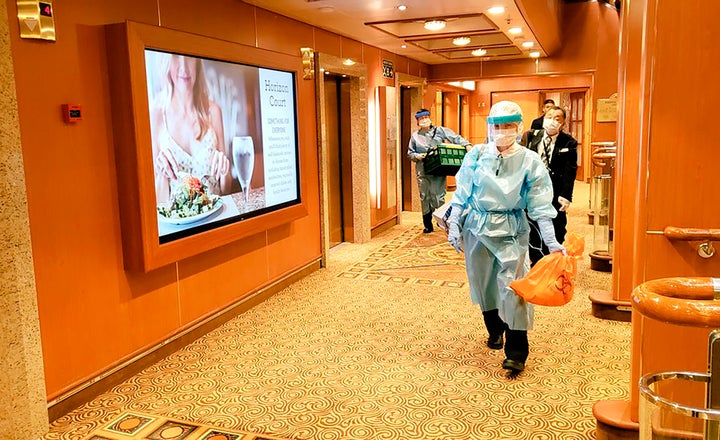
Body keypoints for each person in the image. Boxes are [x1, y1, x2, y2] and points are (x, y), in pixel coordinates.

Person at [446, 101, 564, 375]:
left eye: (508, 126)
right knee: (484, 284)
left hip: (511, 228)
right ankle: (495, 329)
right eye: (497, 126)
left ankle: (517, 351)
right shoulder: (476, 155)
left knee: (514, 287)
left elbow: (540, 205)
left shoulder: (529, 161)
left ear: (519, 128)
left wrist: (552, 241)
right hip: (476, 227)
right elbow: (462, 192)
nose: (501, 132)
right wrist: (454, 223)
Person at [150, 54, 231, 203]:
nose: (184, 67)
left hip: (216, 219)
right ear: (166, 62)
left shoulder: (213, 111)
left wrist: (225, 172)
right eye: (175, 56)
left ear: (198, 63)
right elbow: (159, 203)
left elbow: (226, 190)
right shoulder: (156, 114)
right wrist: (161, 174)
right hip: (179, 224)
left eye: (189, 58)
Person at [521, 106, 578, 266]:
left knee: (557, 227)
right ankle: (537, 262)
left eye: (557, 118)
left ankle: (552, 259)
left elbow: (570, 171)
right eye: (549, 116)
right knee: (532, 226)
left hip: (555, 191)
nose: (552, 121)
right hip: (533, 189)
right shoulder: (532, 136)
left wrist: (566, 196)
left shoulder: (568, 142)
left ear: (563, 122)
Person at [407, 109, 472, 233]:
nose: (424, 120)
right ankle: (427, 224)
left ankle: (441, 220)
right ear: (417, 121)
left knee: (438, 195)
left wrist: (467, 145)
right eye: (421, 118)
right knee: (425, 196)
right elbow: (410, 153)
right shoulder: (415, 136)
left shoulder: (439, 131)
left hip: (438, 168)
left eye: (426, 117)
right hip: (423, 169)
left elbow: (455, 137)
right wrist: (417, 156)